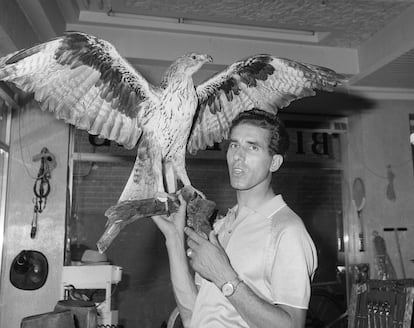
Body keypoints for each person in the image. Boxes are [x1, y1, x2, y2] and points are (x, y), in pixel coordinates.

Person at [152, 108, 318, 328]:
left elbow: (293, 326)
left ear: (274, 163)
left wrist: (224, 276)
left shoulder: (288, 231)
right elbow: (194, 315)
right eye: (234, 145)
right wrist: (173, 240)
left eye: (253, 147)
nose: (238, 156)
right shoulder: (221, 227)